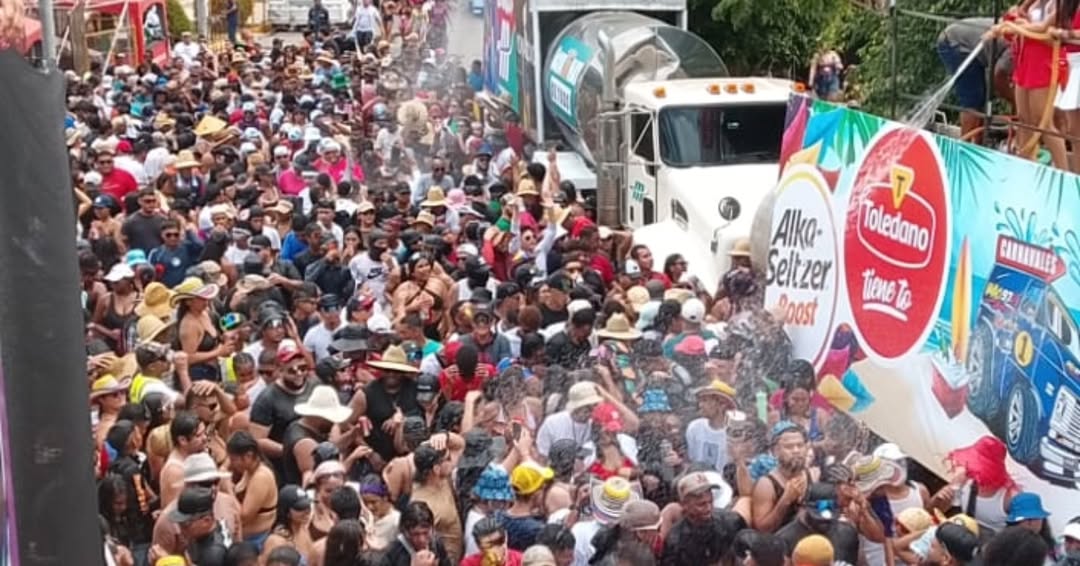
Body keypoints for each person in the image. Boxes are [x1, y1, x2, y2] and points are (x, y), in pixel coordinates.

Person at [937, 18, 1014, 142]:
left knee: (981, 97)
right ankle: (963, 147)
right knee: (973, 99)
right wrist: (1013, 99)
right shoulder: (1016, 46)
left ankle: (977, 146)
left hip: (961, 38)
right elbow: (998, 78)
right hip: (956, 43)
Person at [383, 501, 454, 566]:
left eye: (425, 533)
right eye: (415, 534)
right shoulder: (393, 552)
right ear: (405, 532)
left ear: (432, 528)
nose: (421, 540)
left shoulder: (436, 544)